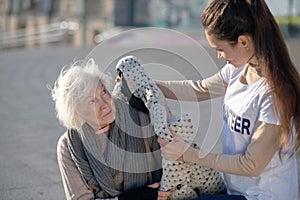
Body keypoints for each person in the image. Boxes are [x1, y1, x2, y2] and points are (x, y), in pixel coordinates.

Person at [156, 0, 300, 199]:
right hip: (239, 192)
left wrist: (188, 154)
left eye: (220, 49)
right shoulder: (239, 67)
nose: (219, 56)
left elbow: (251, 164)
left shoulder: (274, 93)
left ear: (243, 42)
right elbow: (199, 90)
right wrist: (148, 85)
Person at [51, 59, 171, 200]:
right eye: (92, 101)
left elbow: (169, 172)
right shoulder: (69, 145)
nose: (105, 104)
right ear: (77, 113)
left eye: (103, 92)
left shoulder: (139, 120)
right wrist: (134, 198)